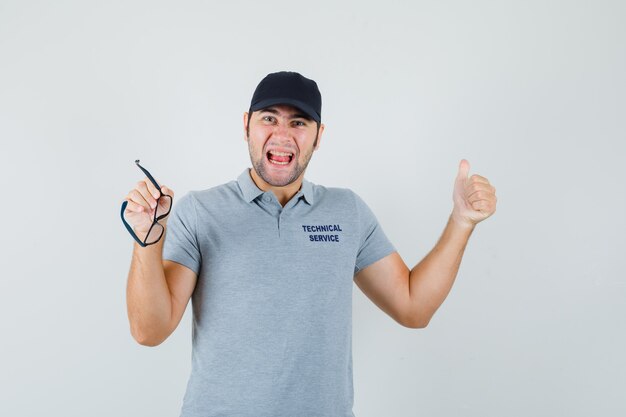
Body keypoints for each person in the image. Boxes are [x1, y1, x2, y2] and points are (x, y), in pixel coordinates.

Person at [123, 71, 497, 417]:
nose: (282, 134)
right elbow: (149, 331)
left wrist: (461, 222)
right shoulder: (200, 211)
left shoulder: (347, 211)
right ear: (246, 125)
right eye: (269, 118)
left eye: (298, 123)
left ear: (319, 136)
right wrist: (147, 239)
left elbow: (413, 307)